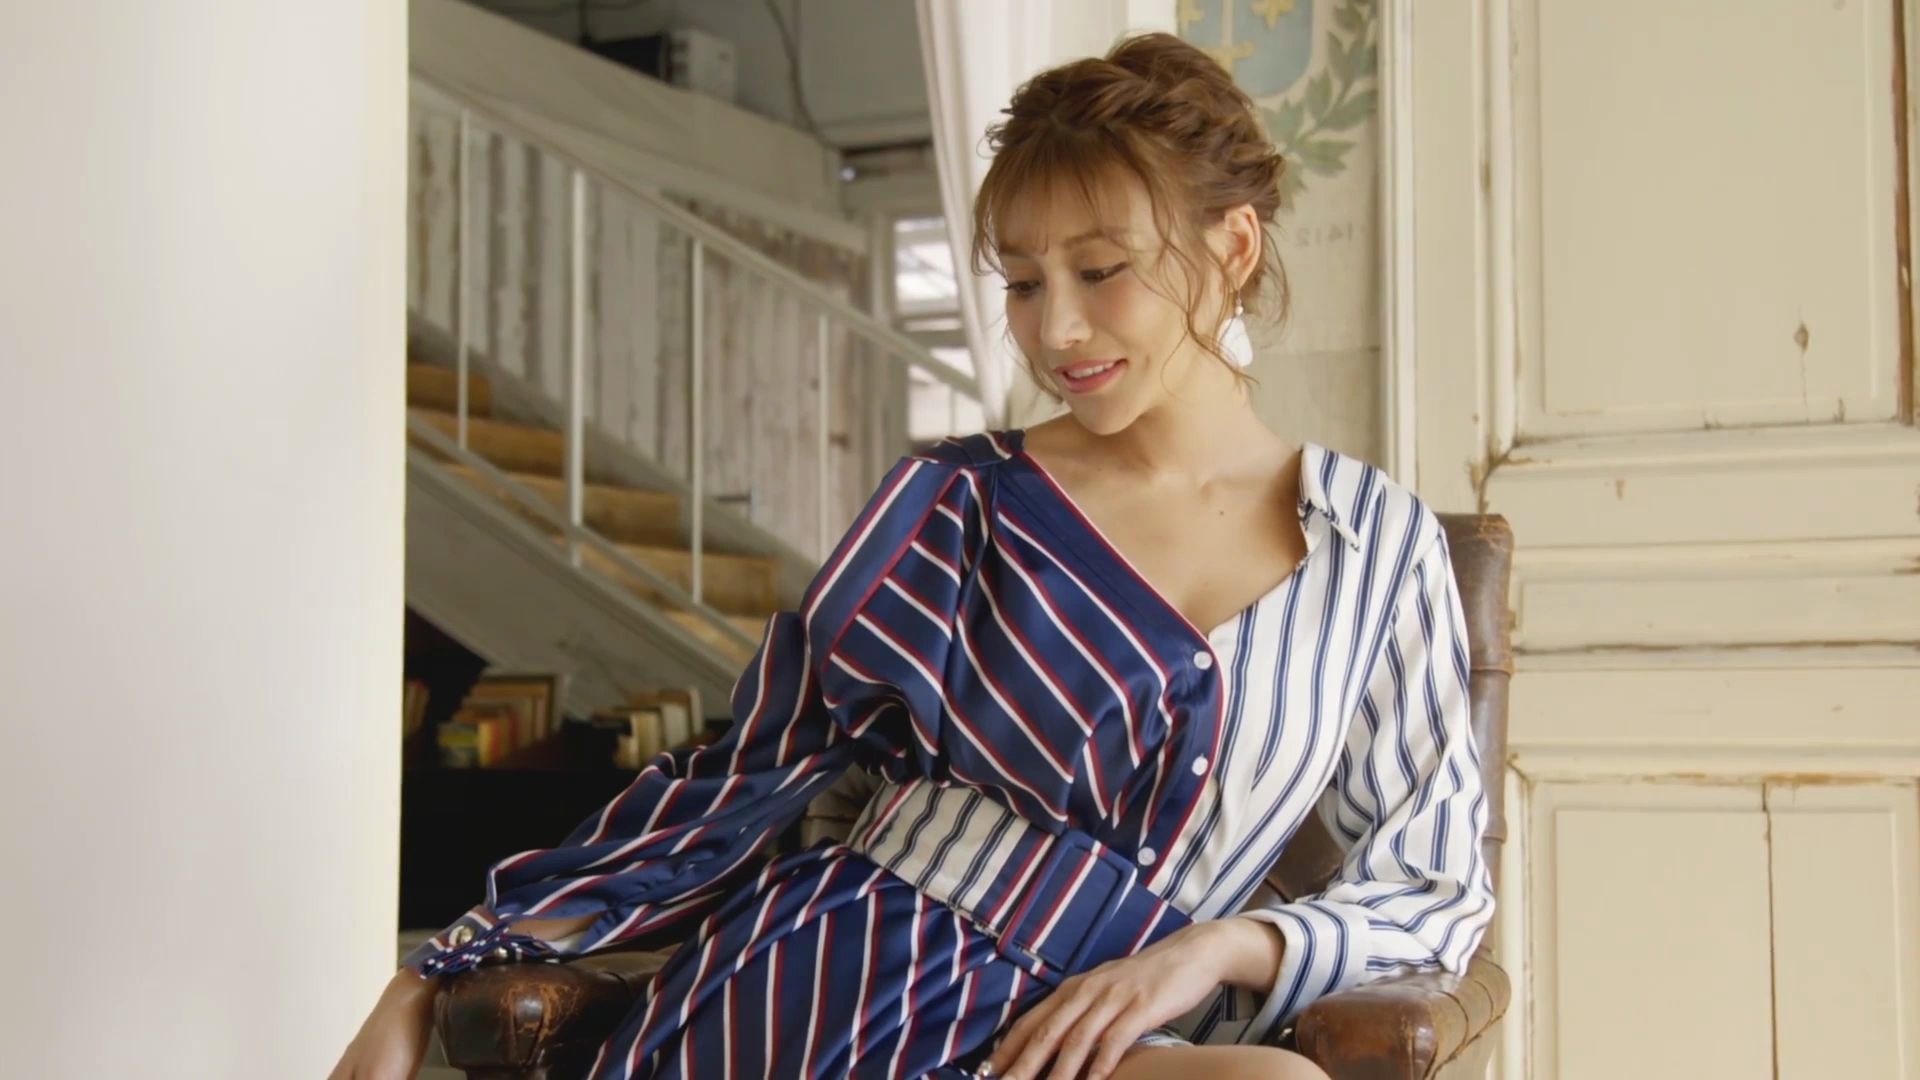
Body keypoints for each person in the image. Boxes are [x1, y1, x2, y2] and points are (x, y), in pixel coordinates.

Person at [333, 31, 1493, 1080]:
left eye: (1101, 271)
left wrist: (1221, 949)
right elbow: (744, 776)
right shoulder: (960, 503)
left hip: (1089, 1033)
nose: (1056, 329)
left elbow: (1434, 889)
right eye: (1024, 283)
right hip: (844, 981)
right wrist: (441, 964)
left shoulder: (1376, 548)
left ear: (1233, 246)